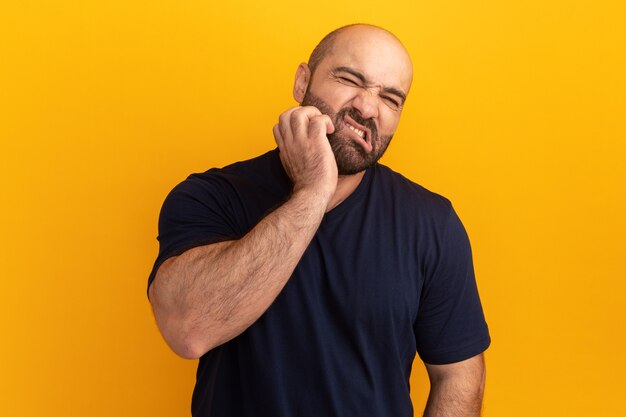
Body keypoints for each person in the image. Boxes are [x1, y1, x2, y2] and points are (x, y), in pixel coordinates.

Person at [147, 24, 490, 417]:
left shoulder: (432, 224)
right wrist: (312, 192)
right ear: (302, 82)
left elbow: (458, 375)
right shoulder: (211, 197)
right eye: (349, 79)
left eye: (391, 99)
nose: (367, 107)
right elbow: (188, 331)